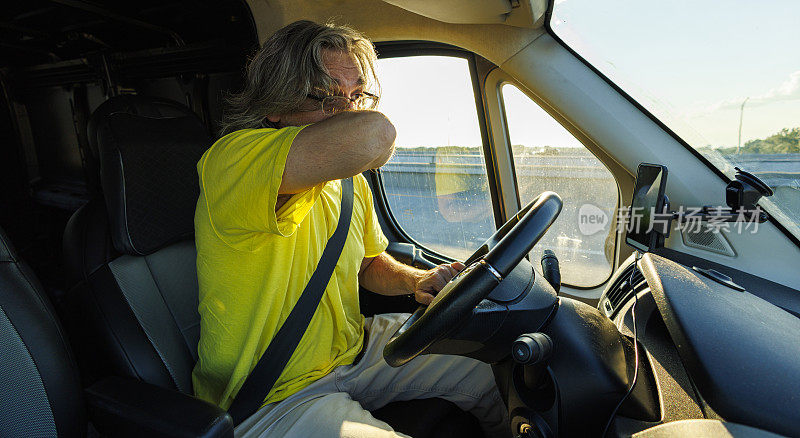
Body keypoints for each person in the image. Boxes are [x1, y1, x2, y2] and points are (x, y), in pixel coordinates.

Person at [191, 20, 509, 437]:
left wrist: (420, 279)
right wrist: (358, 113)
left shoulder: (348, 183)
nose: (347, 109)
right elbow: (375, 135)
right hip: (272, 393)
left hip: (354, 349)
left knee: (495, 366)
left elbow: (367, 263)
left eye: (356, 94)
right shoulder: (233, 161)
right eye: (326, 96)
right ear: (275, 104)